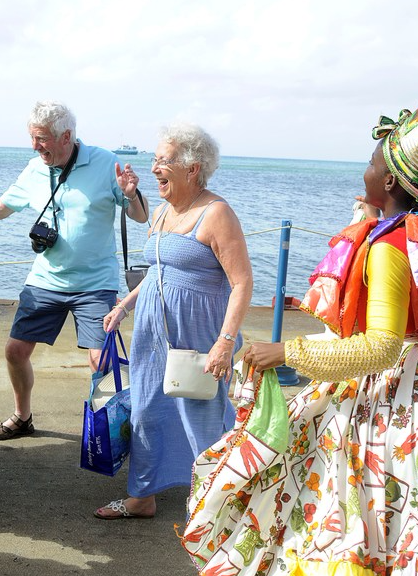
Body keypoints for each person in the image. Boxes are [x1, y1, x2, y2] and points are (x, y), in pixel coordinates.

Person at [180, 68, 418, 575]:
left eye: (370, 161)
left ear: (387, 181)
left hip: (400, 384)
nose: (363, 168)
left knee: (340, 497)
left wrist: (286, 352)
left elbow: (382, 347)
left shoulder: (388, 244)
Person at [0, 100, 149, 440]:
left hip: (95, 282)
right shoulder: (35, 168)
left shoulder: (106, 162)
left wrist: (131, 194)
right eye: (32, 138)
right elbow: (0, 208)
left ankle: (111, 433)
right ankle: (22, 417)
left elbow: (139, 216)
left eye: (41, 138)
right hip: (46, 279)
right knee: (15, 351)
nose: (35, 146)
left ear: (66, 136)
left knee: (100, 360)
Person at [95, 122, 252, 519]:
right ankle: (142, 497)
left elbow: (241, 282)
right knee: (148, 412)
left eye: (162, 161)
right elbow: (158, 272)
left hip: (199, 335)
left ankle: (215, 502)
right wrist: (125, 306)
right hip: (153, 335)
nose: (153, 169)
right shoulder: (163, 211)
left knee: (201, 415)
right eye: (154, 160)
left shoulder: (217, 213)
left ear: (192, 168)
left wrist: (225, 341)